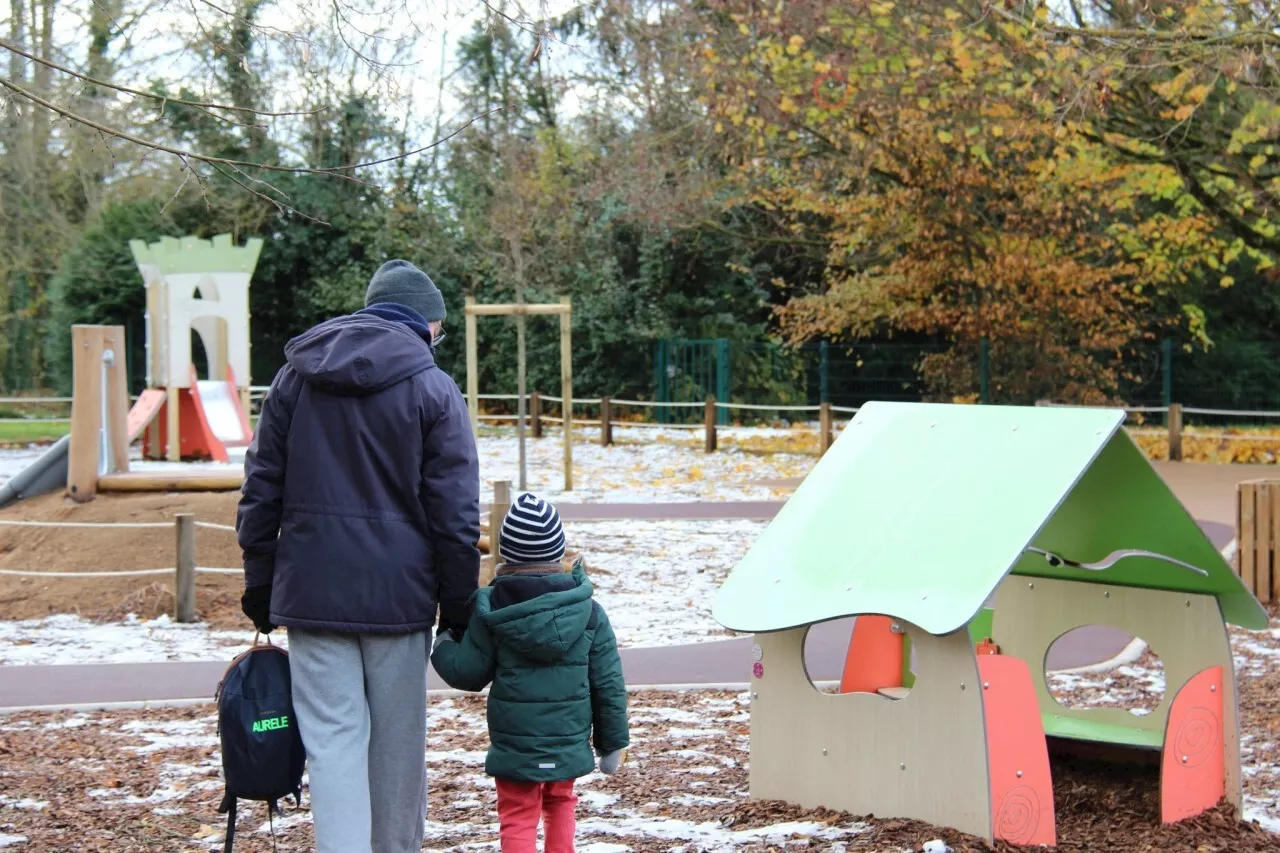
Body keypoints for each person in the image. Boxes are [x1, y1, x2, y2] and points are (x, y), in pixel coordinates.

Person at [236, 259, 480, 853]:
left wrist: (261, 582)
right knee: (398, 747)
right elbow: (455, 512)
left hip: (312, 592)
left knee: (331, 743)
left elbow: (261, 486)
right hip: (401, 598)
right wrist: (459, 601)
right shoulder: (434, 389)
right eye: (439, 326)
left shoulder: (295, 380)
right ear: (426, 323)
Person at [432, 493, 629, 853]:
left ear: (507, 552)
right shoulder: (589, 612)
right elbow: (608, 684)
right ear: (558, 550)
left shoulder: (492, 610)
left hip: (516, 744)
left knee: (518, 813)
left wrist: (444, 643)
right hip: (567, 739)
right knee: (561, 802)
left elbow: (467, 673)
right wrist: (612, 743)